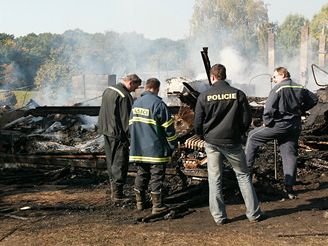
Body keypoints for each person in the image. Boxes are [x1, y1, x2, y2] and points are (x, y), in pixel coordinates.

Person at [193, 64, 263, 225]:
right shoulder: (238, 94)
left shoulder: (204, 96)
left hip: (212, 142)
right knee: (243, 176)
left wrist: (205, 136)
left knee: (215, 178)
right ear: (225, 76)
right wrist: (239, 134)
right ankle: (254, 214)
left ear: (212, 77)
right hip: (232, 142)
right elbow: (246, 119)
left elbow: (197, 123)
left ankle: (219, 217)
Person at [245, 67, 318, 199]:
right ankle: (289, 188)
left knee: (252, 136)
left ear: (282, 74)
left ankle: (245, 174)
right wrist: (301, 109)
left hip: (279, 124)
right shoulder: (300, 86)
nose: (273, 79)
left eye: (275, 77)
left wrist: (266, 122)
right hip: (294, 126)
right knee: (289, 154)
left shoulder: (277, 89)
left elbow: (268, 108)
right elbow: (314, 99)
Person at [129, 78, 177, 214]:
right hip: (155, 149)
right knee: (156, 176)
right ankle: (157, 206)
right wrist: (173, 145)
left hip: (139, 148)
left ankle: (140, 203)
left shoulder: (136, 104)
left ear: (146, 88)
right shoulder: (158, 104)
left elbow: (131, 126)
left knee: (142, 174)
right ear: (156, 89)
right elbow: (169, 129)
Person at [98, 74, 142, 201]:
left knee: (110, 160)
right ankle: (117, 194)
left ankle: (114, 189)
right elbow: (126, 120)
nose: (134, 90)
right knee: (119, 162)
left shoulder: (108, 90)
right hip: (117, 134)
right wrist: (131, 139)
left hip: (106, 131)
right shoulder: (124, 96)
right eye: (135, 87)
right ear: (130, 83)